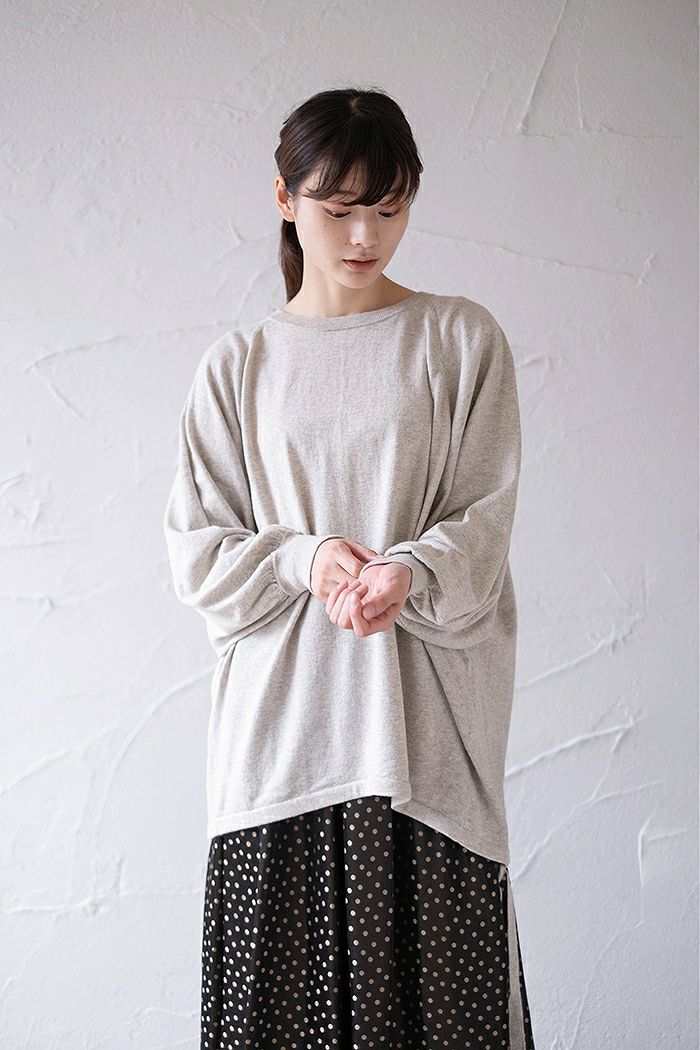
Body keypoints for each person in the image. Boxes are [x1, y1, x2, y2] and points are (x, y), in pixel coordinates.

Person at [163, 85, 536, 1049]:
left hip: (427, 763)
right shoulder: (237, 367)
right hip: (278, 758)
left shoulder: (460, 340)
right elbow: (200, 555)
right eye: (338, 210)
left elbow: (484, 523)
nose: (366, 235)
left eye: (390, 206)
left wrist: (410, 570)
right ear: (284, 199)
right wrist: (305, 557)